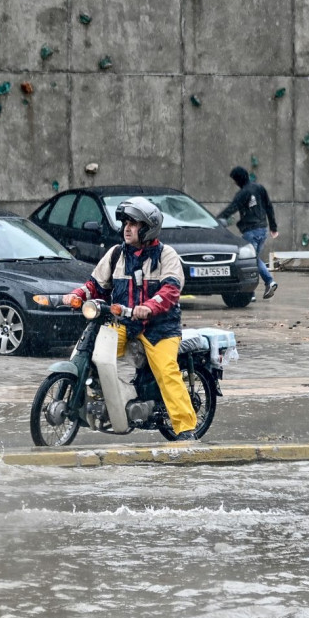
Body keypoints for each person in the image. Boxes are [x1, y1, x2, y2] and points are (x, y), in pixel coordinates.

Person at [62, 197, 199, 441]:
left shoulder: (167, 255)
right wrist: (77, 295)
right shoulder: (116, 254)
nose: (127, 228)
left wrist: (149, 306)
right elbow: (96, 285)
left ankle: (186, 427)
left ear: (148, 228)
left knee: (167, 372)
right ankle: (102, 401)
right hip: (124, 324)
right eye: (125, 222)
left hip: (160, 329)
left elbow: (170, 290)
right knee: (93, 354)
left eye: (134, 223)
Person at [217, 165, 279, 299]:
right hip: (263, 229)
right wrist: (273, 227)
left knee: (251, 260)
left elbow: (231, 209)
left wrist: (216, 221)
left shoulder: (242, 193)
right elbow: (269, 207)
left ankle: (269, 281)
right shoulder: (259, 188)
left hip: (251, 230)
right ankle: (250, 293)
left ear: (238, 179)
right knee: (253, 259)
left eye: (235, 180)